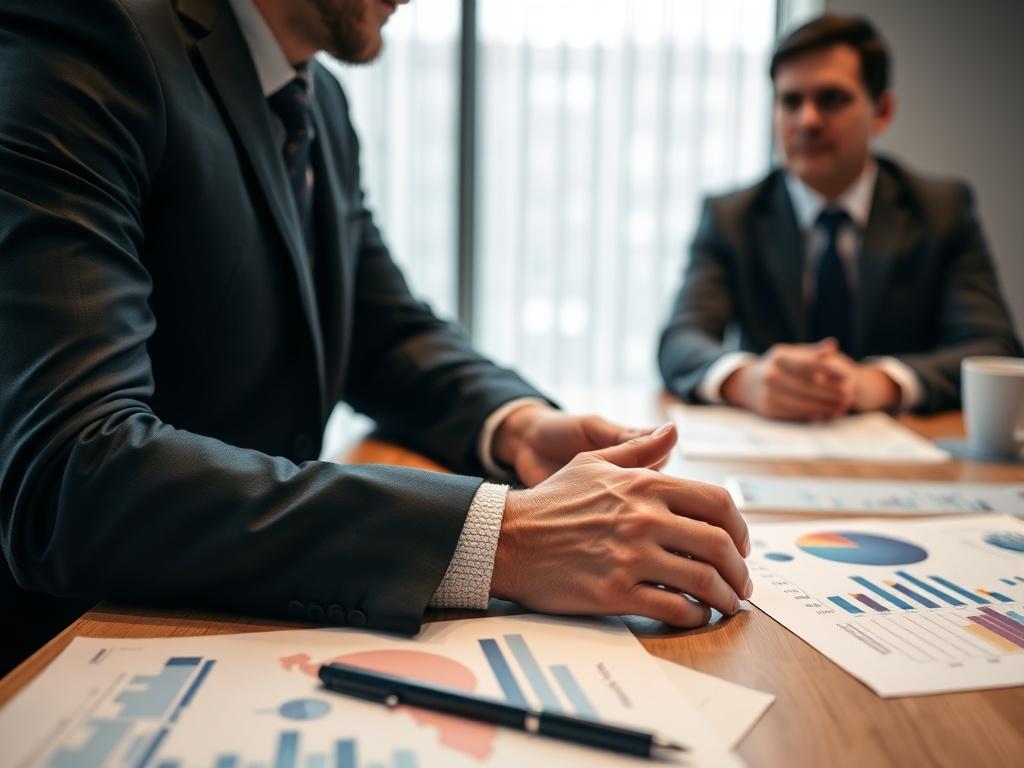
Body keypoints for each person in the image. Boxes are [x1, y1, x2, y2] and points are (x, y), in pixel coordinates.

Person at [0, 0, 751, 674]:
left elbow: (384, 330)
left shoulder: (316, 98)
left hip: (247, 623)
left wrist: (521, 427)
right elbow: (72, 470)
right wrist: (503, 536)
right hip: (77, 653)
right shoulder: (89, 32)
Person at [658, 15, 1021, 421]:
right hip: (770, 450)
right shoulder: (732, 216)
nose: (807, 120)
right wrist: (749, 380)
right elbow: (681, 341)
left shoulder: (941, 210)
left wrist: (881, 382)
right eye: (790, 101)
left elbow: (993, 348)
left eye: (831, 99)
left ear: (881, 110)